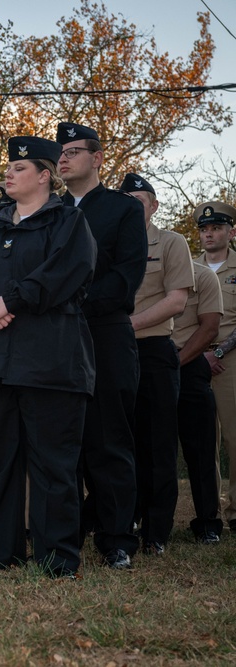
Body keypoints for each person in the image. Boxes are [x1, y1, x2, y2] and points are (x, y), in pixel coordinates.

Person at [0, 136, 97, 577]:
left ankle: (56, 559)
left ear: (45, 176)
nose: (8, 173)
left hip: (51, 366)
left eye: (20, 168)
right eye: (8, 168)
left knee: (54, 466)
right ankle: (2, 553)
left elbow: (66, 274)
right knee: (1, 464)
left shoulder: (68, 223)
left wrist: (8, 302)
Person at [56, 122, 146, 566]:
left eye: (74, 150)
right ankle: (64, 537)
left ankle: (116, 541)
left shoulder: (121, 210)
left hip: (104, 335)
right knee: (60, 443)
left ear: (97, 158)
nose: (64, 158)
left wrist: (65, 301)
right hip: (54, 341)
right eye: (60, 152)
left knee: (109, 440)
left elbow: (125, 280)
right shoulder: (46, 211)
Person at [121, 174, 193, 556]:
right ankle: (122, 520)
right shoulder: (108, 244)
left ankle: (157, 531)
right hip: (114, 354)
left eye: (139, 199)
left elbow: (177, 301)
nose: (132, 206)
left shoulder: (170, 243)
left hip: (152, 352)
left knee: (159, 444)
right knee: (119, 441)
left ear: (154, 205)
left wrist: (125, 324)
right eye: (125, 200)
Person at [172, 259, 224, 543]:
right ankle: (149, 520)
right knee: (149, 448)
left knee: (201, 449)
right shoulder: (139, 270)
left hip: (187, 364)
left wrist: (175, 363)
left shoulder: (202, 276)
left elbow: (210, 327)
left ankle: (207, 522)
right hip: (147, 364)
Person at [193, 201, 236, 533]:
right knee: (202, 441)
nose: (210, 234)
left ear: (230, 232)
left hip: (230, 362)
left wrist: (218, 352)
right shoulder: (190, 268)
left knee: (233, 439)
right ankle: (209, 514)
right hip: (194, 359)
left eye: (216, 228)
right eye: (205, 230)